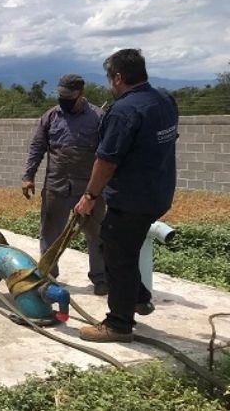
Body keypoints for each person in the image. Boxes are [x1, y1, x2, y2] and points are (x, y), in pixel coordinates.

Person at [75, 49, 178, 343]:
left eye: (110, 78)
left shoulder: (123, 111)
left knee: (116, 254)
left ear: (118, 78)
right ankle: (140, 297)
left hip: (131, 199)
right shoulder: (164, 99)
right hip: (159, 192)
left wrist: (90, 195)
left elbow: (106, 160)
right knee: (124, 247)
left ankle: (118, 324)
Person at [21, 74, 107, 295]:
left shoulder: (98, 117)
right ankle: (49, 275)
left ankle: (100, 278)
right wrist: (28, 176)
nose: (64, 99)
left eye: (68, 96)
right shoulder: (50, 117)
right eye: (61, 95)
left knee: (96, 234)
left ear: (80, 94)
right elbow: (37, 147)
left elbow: (108, 156)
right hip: (56, 186)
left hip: (89, 190)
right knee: (50, 232)